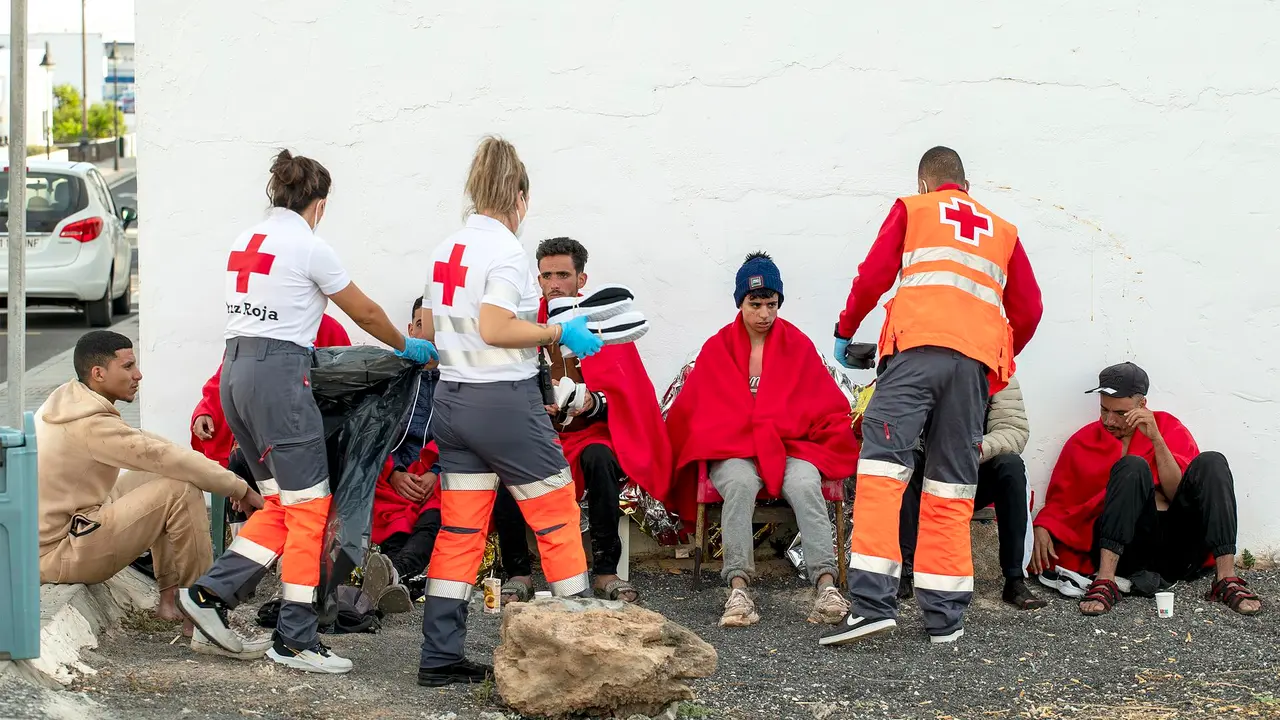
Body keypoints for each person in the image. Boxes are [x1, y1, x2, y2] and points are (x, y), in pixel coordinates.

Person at [178, 149, 437, 675]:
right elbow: (361, 310)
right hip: (280, 379)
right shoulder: (309, 244)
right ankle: (294, 639)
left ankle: (209, 596)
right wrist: (403, 345)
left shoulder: (246, 239)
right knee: (310, 508)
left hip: (235, 374)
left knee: (279, 504)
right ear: (319, 203)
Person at [823, 146, 1043, 646]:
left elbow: (873, 276)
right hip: (970, 371)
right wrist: (996, 359)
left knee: (882, 471)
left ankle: (872, 605)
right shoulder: (1003, 231)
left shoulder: (914, 209)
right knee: (952, 488)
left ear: (925, 183)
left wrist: (844, 330)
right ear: (965, 184)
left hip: (915, 354)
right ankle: (945, 618)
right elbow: (1029, 308)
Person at [415, 136, 603, 688]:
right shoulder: (507, 253)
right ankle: (581, 651)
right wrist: (555, 331)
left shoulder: (446, 248)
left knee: (460, 531)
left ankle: (440, 657)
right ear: (519, 195)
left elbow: (430, 325)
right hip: (503, 401)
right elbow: (496, 327)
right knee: (557, 515)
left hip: (451, 401)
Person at [36, 331, 262, 653]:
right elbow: (168, 458)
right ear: (98, 374)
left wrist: (227, 480)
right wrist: (243, 489)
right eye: (128, 367)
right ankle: (201, 616)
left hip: (65, 533)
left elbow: (154, 448)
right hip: (62, 551)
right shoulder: (90, 425)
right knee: (179, 489)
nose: (138, 375)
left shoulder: (71, 401)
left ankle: (168, 601)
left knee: (161, 472)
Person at [667, 252, 859, 628]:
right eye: (755, 304)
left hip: (789, 446)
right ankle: (738, 588)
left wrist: (778, 427)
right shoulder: (718, 347)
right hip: (734, 448)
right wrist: (743, 429)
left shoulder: (797, 345)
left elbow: (823, 402)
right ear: (740, 303)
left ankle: (825, 585)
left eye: (771, 304)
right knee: (738, 484)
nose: (764, 314)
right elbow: (697, 409)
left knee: (806, 483)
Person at [493, 236, 672, 604]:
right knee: (505, 464)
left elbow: (627, 398)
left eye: (563, 274)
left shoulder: (604, 323)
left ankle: (606, 572)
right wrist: (530, 405)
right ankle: (518, 575)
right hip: (538, 434)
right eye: (546, 275)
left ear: (581, 280)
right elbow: (501, 383)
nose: (554, 283)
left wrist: (590, 402)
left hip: (590, 433)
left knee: (601, 458)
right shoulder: (524, 323)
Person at [1030, 363, 1261, 616]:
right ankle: (1105, 580)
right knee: (1132, 466)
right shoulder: (1083, 441)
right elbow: (1064, 501)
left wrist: (1156, 439)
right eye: (1103, 410)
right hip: (1129, 550)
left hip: (1178, 549)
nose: (1109, 420)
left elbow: (1176, 494)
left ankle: (1225, 579)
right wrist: (1045, 524)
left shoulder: (1168, 427)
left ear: (1142, 405)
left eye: (1120, 412)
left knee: (1213, 461)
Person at [897, 375, 1046, 610]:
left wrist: (971, 450)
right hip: (926, 472)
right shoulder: (923, 366)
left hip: (971, 473)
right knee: (906, 463)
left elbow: (1014, 431)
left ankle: (1014, 580)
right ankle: (903, 573)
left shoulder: (999, 373)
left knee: (1011, 467)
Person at [363, 297, 443, 612]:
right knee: (390, 512)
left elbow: (466, 435)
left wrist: (435, 473)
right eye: (422, 325)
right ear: (410, 329)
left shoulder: (460, 380)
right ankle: (397, 576)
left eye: (439, 327)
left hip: (438, 472)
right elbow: (371, 430)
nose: (430, 335)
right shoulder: (389, 375)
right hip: (392, 474)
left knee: (439, 512)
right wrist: (394, 472)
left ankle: (392, 574)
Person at [191, 314, 351, 466]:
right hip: (255, 429)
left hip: (307, 433)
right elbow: (229, 375)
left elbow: (347, 387)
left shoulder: (328, 328)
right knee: (240, 463)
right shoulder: (254, 328)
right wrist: (207, 410)